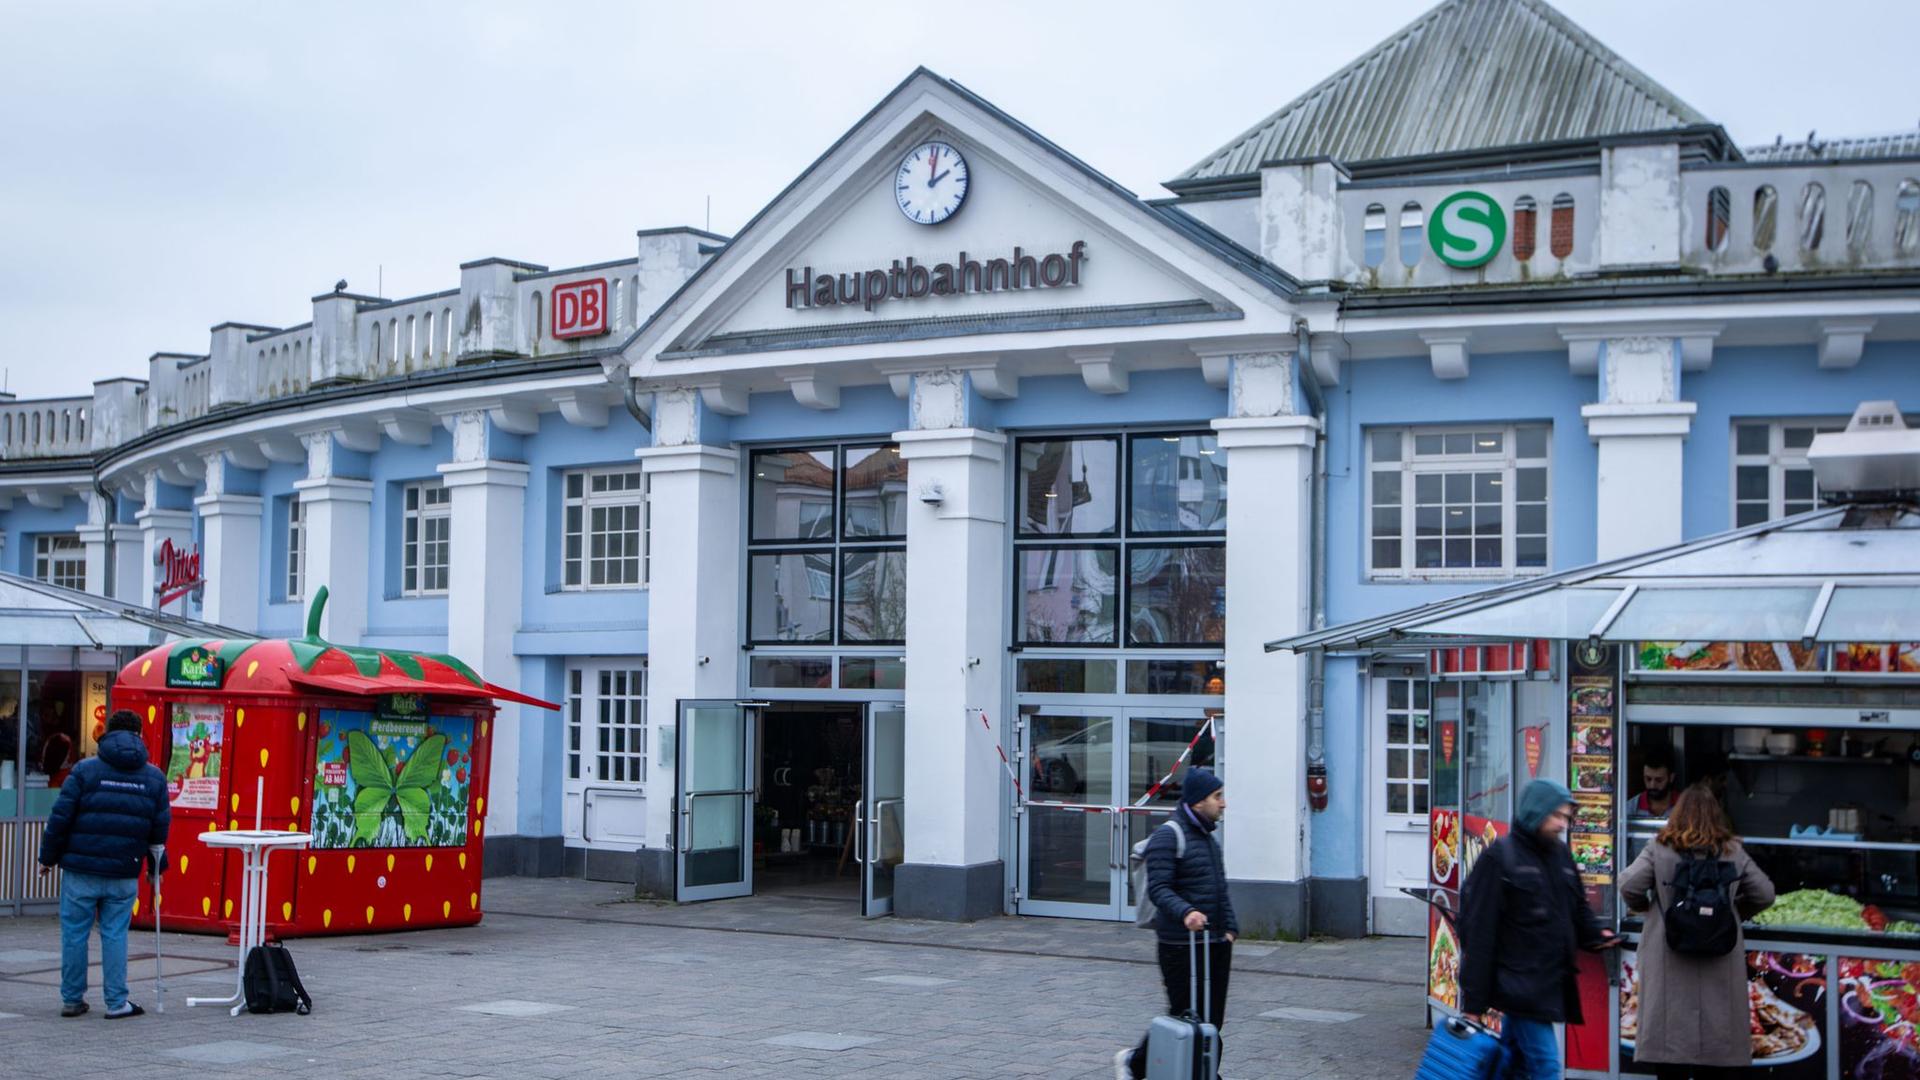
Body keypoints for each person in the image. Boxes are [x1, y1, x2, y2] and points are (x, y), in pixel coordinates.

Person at [1459, 779, 1621, 1080]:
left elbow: (1576, 906)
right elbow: (1478, 931)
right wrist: (1474, 1004)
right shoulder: (1500, 858)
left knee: (1513, 1065)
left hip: (1547, 982)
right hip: (1519, 986)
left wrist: (1596, 935)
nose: (1562, 823)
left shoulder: (1559, 855)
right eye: (1556, 815)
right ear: (1536, 812)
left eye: (1566, 817)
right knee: (1546, 1066)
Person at [1618, 784, 1775, 1080]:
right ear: (1717, 816)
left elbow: (1628, 886)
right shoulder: (1733, 851)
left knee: (1670, 1056)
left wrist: (1649, 909)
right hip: (1719, 959)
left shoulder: (1659, 848)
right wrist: (1734, 914)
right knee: (1714, 1056)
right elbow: (1765, 894)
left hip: (1668, 958)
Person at [37, 709, 169, 1019]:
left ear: (107, 733)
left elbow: (61, 818)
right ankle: (116, 1002)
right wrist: (155, 869)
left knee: (74, 933)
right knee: (114, 934)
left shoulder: (84, 771)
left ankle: (71, 999)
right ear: (139, 735)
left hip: (80, 870)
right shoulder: (153, 777)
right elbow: (159, 831)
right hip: (124, 870)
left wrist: (47, 858)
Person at [1116, 766, 1236, 1080]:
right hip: (1180, 944)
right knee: (1186, 1015)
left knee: (1211, 1020)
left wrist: (1231, 928)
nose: (1223, 803)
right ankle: (1136, 1064)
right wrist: (1186, 913)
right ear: (1198, 801)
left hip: (1214, 942)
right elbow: (1159, 888)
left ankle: (1199, 1070)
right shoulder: (1169, 836)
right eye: (1217, 797)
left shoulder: (1208, 839)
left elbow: (1220, 888)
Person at [1628, 744, 1677, 818]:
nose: (1652, 785)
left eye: (1659, 780)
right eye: (1648, 779)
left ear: (1671, 778)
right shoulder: (1630, 807)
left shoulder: (1685, 805)